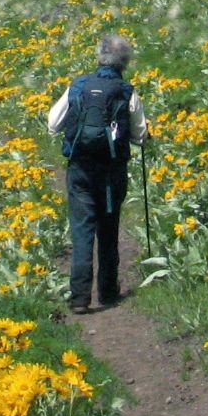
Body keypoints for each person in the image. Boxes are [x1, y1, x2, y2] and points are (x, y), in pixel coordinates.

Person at [46, 34, 149, 315]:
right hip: (112, 170)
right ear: (124, 62)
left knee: (82, 230)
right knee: (108, 226)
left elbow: (53, 123)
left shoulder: (78, 86)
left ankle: (79, 297)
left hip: (80, 168)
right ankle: (107, 290)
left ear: (98, 57)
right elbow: (140, 134)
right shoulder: (127, 91)